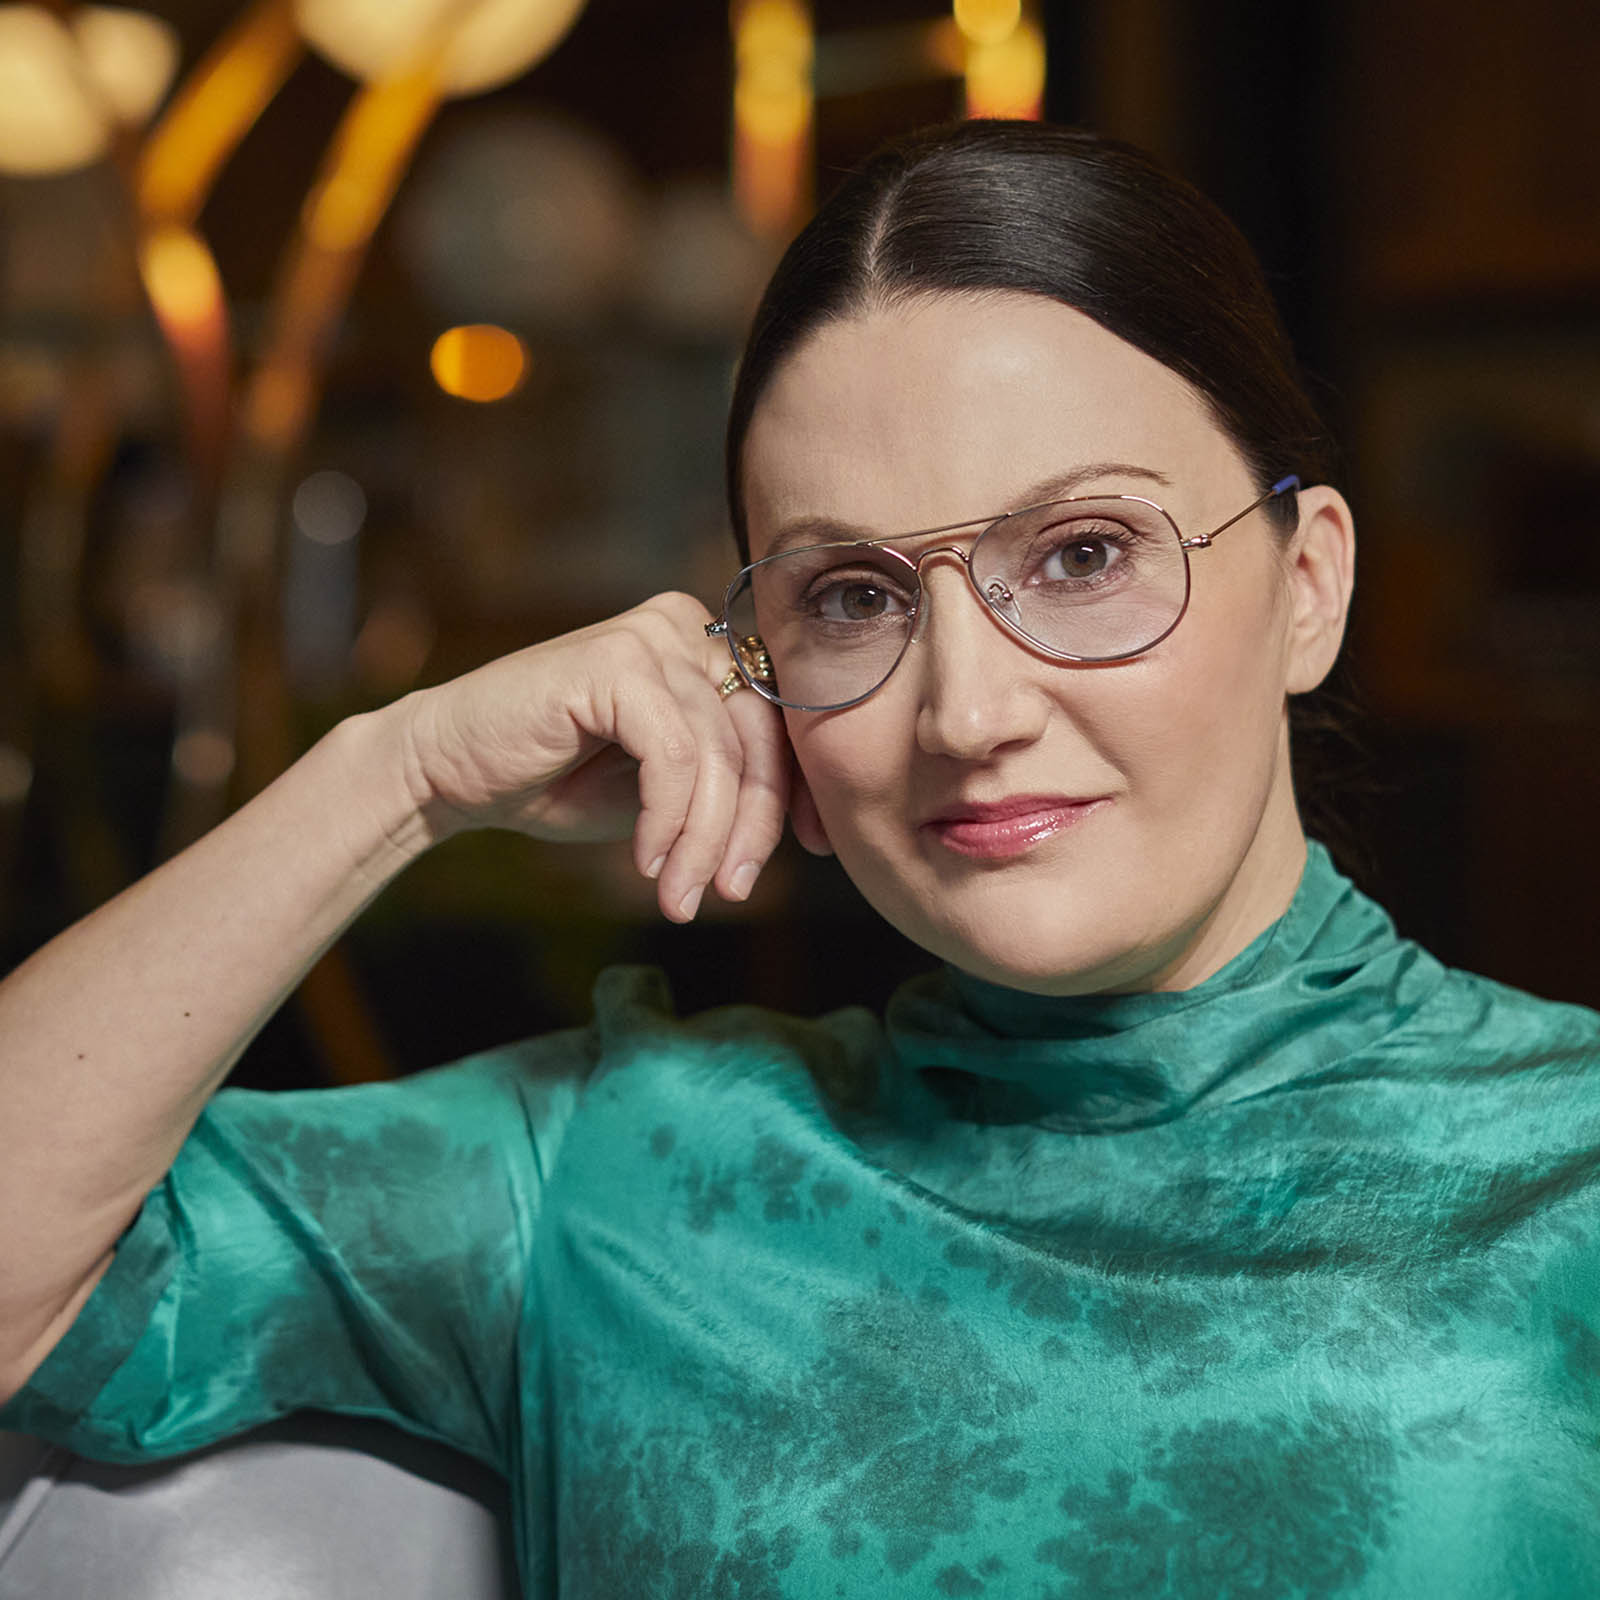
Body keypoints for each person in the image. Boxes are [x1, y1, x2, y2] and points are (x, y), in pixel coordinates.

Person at [2, 120, 1598, 1599]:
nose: (966, 711)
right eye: (853, 599)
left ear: (1309, 587)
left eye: (1084, 555)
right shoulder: (623, 1168)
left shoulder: (1570, 1166)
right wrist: (394, 776)